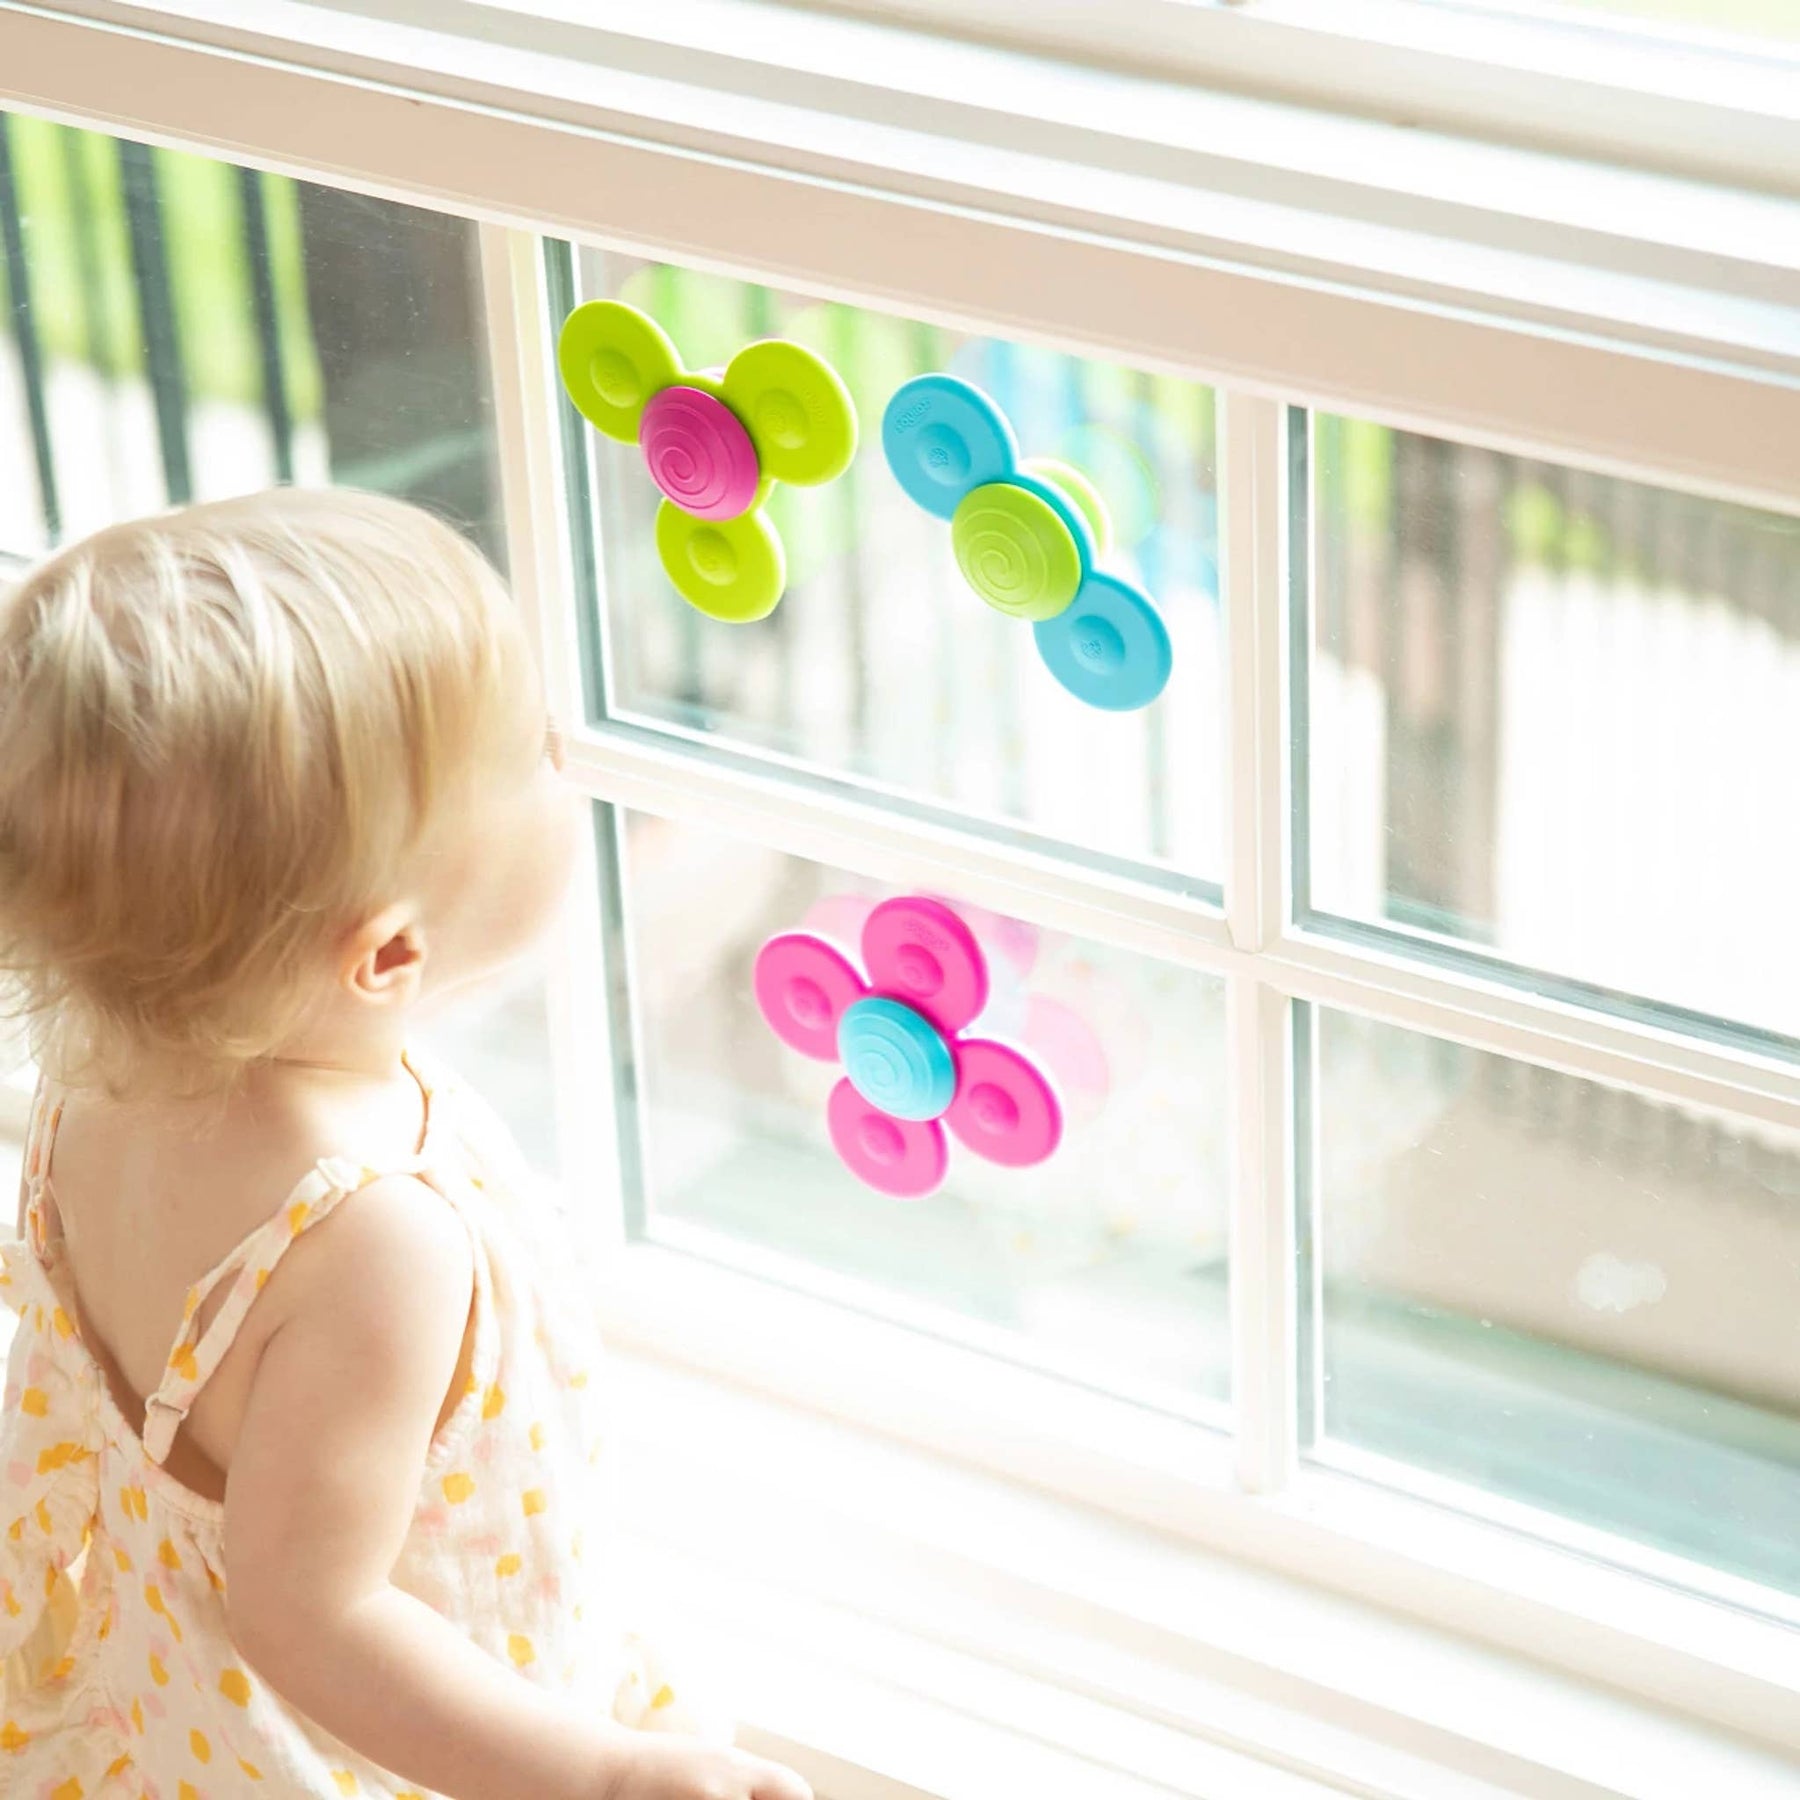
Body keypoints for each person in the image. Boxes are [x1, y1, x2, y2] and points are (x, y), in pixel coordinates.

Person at [0, 490, 811, 1800]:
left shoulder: (103, 1074)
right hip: (368, 1745)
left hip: (153, 1688)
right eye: (531, 757)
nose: (566, 748)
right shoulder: (370, 1240)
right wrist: (603, 1775)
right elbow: (310, 1614)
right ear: (386, 955)